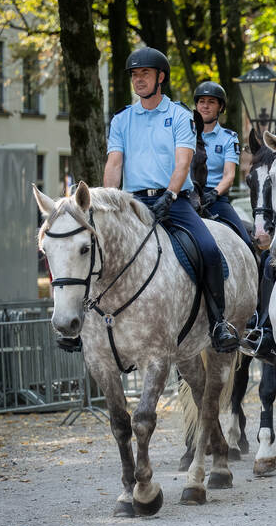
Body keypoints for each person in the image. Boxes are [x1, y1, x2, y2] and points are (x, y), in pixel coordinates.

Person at [102, 47, 238, 354]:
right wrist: (110, 203)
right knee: (96, 249)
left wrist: (171, 194)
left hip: (173, 201)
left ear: (160, 77)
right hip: (132, 203)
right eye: (135, 75)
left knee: (209, 249)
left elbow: (183, 162)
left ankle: (218, 323)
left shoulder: (179, 116)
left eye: (145, 74)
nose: (139, 80)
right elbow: (114, 164)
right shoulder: (121, 120)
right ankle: (86, 324)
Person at [192, 81, 252, 252]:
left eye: (211, 102)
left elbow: (229, 175)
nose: (205, 106)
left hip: (215, 198)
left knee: (246, 243)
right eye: (202, 101)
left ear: (220, 107)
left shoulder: (229, 138)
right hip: (189, 195)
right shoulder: (185, 134)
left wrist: (214, 194)